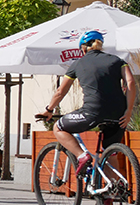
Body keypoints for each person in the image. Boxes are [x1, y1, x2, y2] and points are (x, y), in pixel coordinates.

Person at [40, 30, 136, 176]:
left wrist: (49, 109)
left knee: (58, 127)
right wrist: (128, 111)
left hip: (92, 112)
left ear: (83, 48)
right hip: (119, 114)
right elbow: (130, 83)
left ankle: (81, 156)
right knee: (110, 153)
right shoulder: (118, 61)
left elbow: (60, 91)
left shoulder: (78, 64)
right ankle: (113, 188)